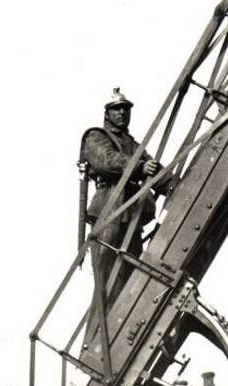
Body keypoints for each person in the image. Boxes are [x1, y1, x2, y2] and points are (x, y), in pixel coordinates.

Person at [81, 88, 166, 296]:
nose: (122, 113)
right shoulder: (95, 136)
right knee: (108, 278)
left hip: (131, 216)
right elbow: (107, 161)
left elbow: (152, 167)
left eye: (125, 109)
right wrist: (139, 167)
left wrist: (172, 183)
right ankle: (105, 325)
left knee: (132, 278)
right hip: (108, 212)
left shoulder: (131, 143)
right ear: (107, 113)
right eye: (117, 109)